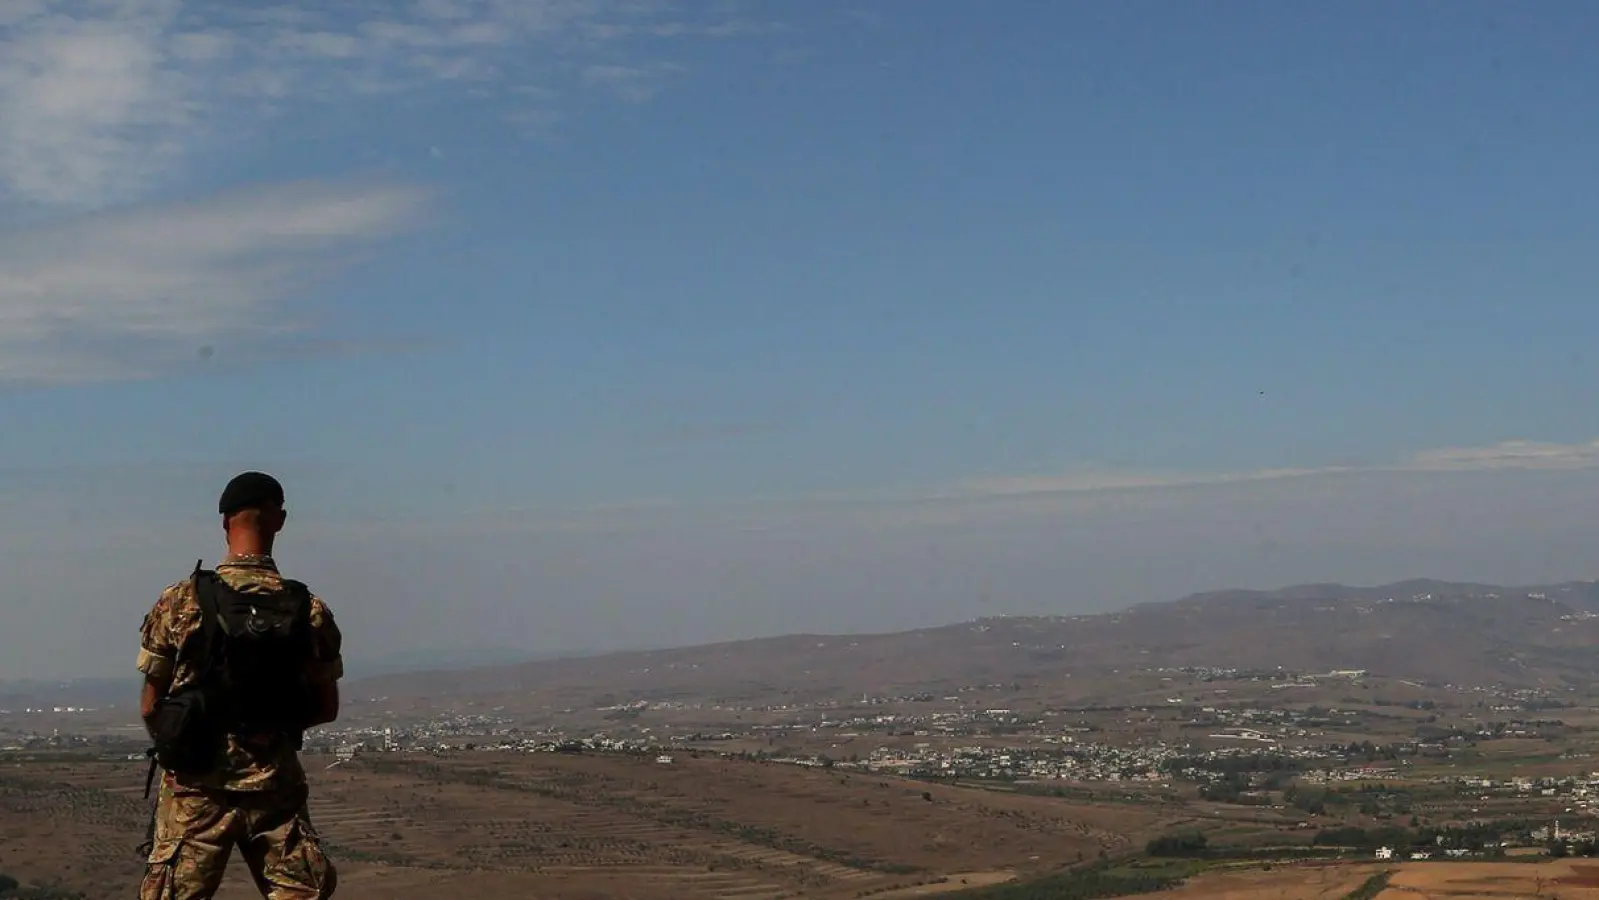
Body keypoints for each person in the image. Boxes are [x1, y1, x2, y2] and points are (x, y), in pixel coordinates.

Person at [135, 471, 344, 899]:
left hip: (195, 791)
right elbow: (325, 708)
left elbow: (150, 705)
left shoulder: (180, 602)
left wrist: (187, 748)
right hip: (274, 789)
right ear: (279, 521)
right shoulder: (309, 611)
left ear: (224, 522)